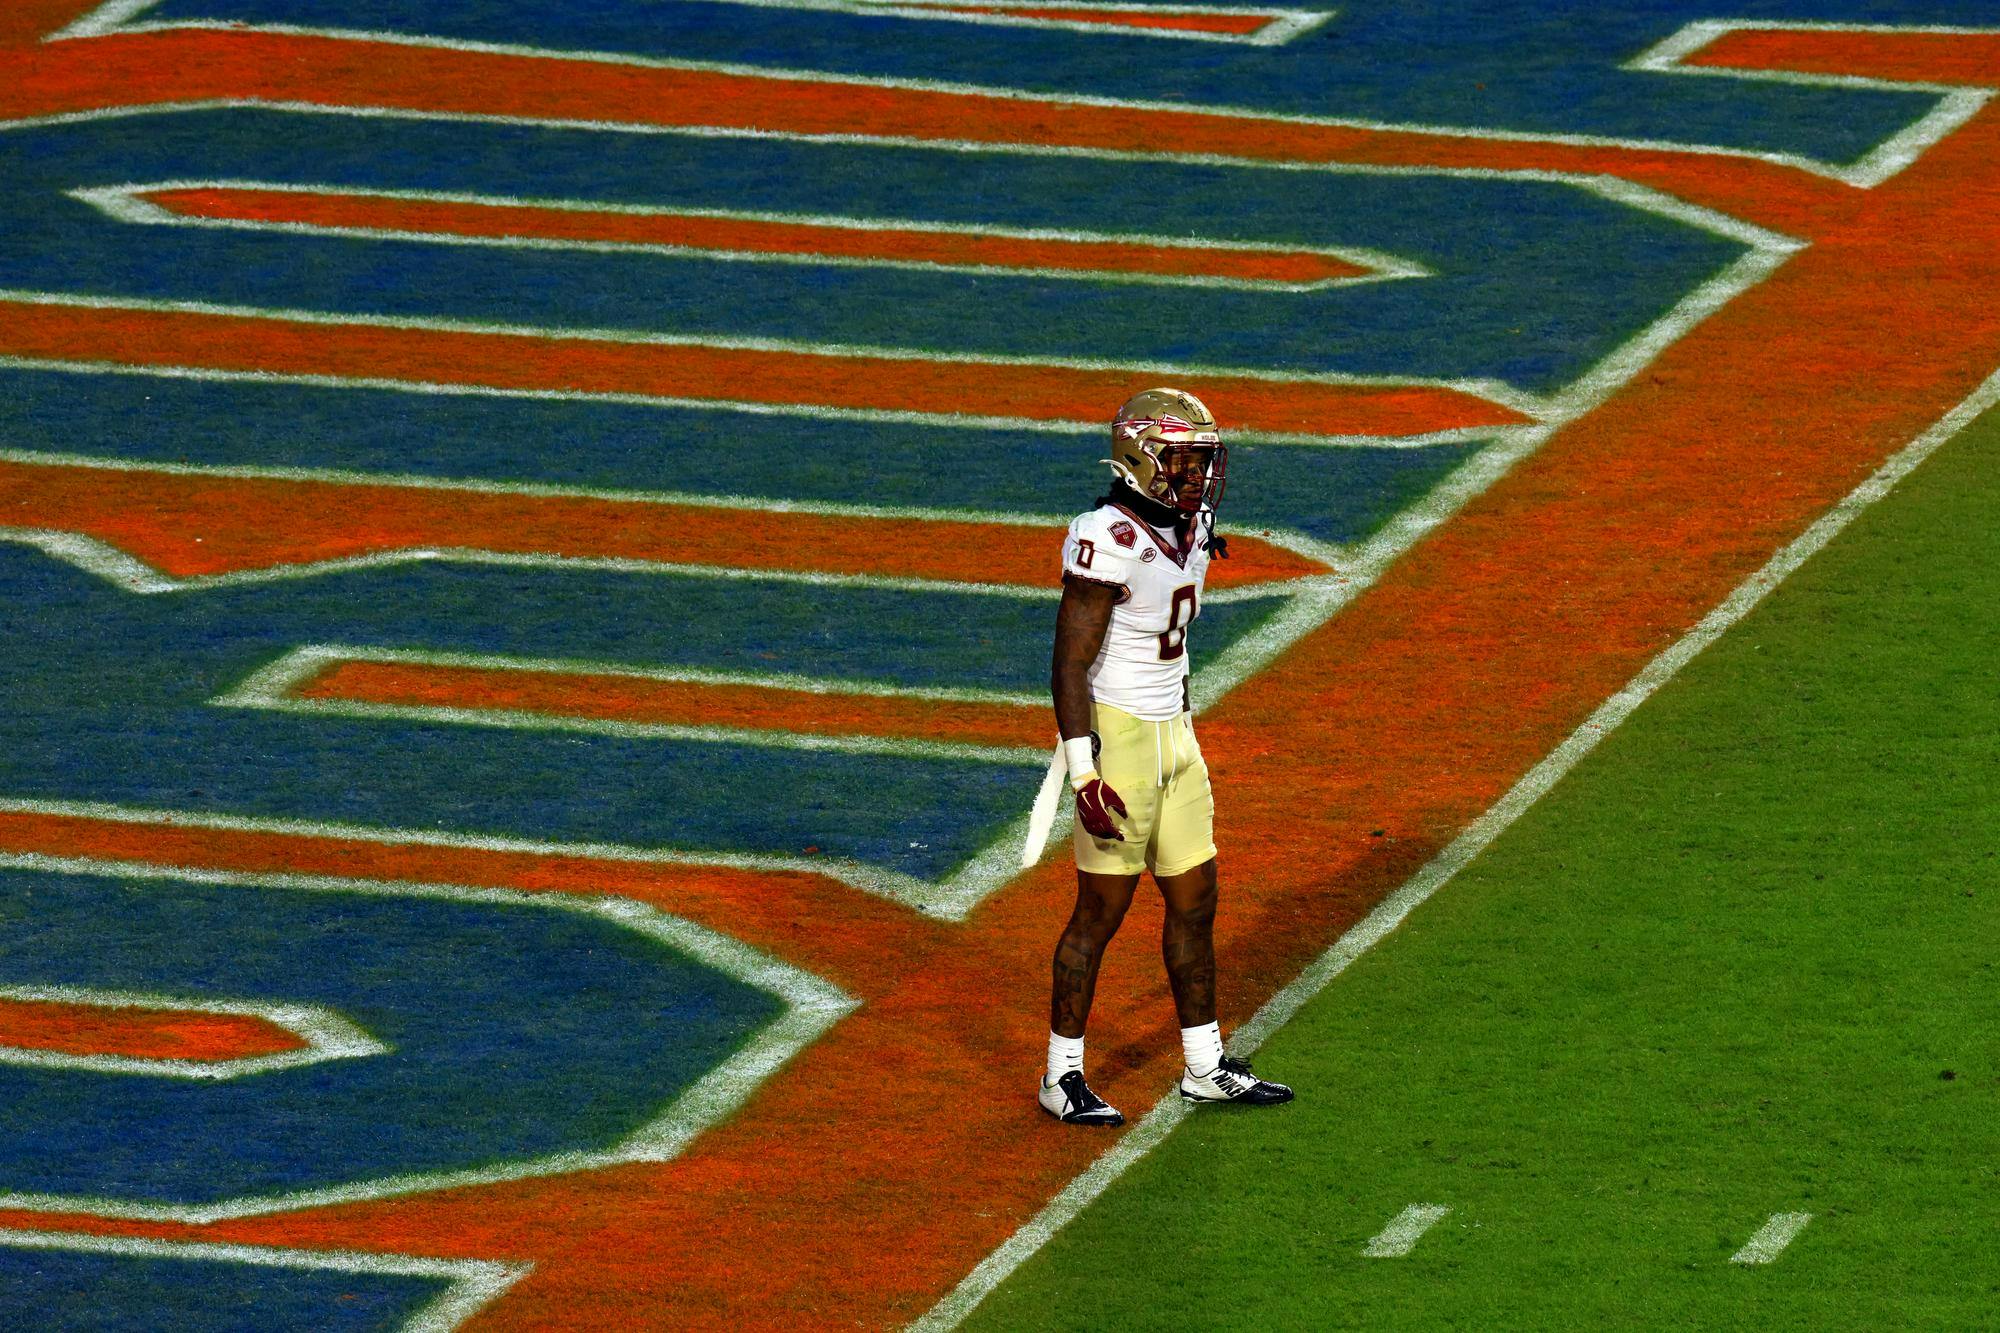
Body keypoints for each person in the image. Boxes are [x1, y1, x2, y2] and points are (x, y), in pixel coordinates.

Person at [1038, 387, 1294, 1127]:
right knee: (1100, 912)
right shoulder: (1106, 535)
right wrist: (1083, 769)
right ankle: (1061, 1076)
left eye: (1200, 460)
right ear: (1139, 457)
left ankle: (1205, 1065)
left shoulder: (1193, 522)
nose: (1196, 474)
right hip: (1117, 738)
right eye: (1182, 457)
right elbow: (1068, 663)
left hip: (1176, 732)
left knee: (1196, 899)